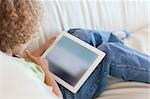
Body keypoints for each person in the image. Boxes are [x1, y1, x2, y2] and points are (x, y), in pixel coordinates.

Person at [0, 0, 150, 99]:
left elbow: (28, 63)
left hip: (51, 72)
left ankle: (116, 39)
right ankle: (118, 49)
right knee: (108, 52)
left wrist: (46, 47)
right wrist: (45, 71)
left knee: (74, 35)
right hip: (66, 92)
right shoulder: (14, 82)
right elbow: (55, 96)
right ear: (16, 40)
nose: (29, 41)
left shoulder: (8, 57)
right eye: (27, 39)